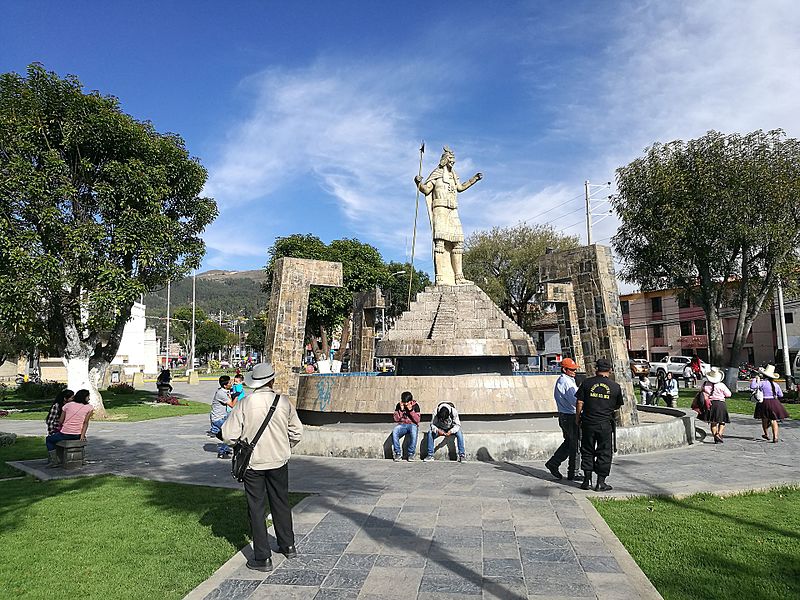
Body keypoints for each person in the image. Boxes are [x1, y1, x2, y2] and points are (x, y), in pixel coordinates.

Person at [222, 362, 304, 572]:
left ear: (254, 382)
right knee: (281, 502)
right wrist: (284, 445)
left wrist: (241, 442)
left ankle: (263, 557)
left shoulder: (244, 403)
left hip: (253, 463)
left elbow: (228, 435)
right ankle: (288, 545)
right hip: (278, 460)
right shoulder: (283, 402)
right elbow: (297, 432)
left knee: (256, 508)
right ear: (272, 380)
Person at [414, 146, 482, 285]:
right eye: (451, 159)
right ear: (445, 160)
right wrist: (418, 183)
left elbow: (461, 188)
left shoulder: (453, 175)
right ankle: (440, 278)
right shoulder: (437, 174)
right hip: (439, 209)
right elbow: (426, 190)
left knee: (458, 242)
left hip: (453, 210)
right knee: (440, 242)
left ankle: (459, 277)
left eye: (454, 160)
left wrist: (474, 179)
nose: (453, 162)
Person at [576, 358, 624, 491]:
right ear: (609, 370)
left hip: (588, 423)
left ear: (596, 369)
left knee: (587, 450)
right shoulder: (615, 387)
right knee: (604, 452)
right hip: (604, 424)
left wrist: (578, 418)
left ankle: (587, 481)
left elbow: (580, 402)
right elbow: (618, 405)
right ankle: (600, 483)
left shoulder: (586, 383)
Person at [544, 358, 582, 481]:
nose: (574, 371)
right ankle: (573, 472)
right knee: (575, 445)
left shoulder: (566, 380)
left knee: (570, 443)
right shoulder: (566, 382)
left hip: (565, 416)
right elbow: (575, 401)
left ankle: (554, 463)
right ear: (564, 369)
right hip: (570, 416)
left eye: (575, 369)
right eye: (571, 369)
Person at [45, 389, 93, 467]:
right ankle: (82, 459)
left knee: (49, 440)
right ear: (84, 397)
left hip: (65, 433)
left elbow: (60, 421)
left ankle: (54, 461)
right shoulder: (89, 408)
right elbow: (85, 423)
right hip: (78, 434)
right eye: (88, 397)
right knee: (81, 441)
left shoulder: (67, 405)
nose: (89, 398)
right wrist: (82, 435)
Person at [751, 364, 790, 443]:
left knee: (764, 419)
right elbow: (781, 395)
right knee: (773, 420)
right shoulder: (776, 385)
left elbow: (753, 386)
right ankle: (775, 437)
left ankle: (766, 434)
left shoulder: (762, 383)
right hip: (774, 402)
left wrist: (755, 379)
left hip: (764, 402)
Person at [702, 367, 731, 444]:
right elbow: (728, 394)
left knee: (713, 422)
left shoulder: (705, 384)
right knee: (722, 421)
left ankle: (715, 437)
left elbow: (702, 392)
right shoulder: (721, 385)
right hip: (720, 404)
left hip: (711, 404)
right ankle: (719, 435)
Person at [209, 375, 235, 458]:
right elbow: (232, 405)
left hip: (222, 416)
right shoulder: (221, 393)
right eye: (230, 383)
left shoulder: (224, 391)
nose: (232, 384)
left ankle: (225, 448)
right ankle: (221, 452)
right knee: (229, 434)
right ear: (225, 385)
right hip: (218, 418)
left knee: (227, 433)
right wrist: (237, 396)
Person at [392, 391, 421, 461]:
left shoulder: (416, 406)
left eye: (407, 402)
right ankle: (398, 453)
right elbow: (396, 419)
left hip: (412, 424)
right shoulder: (399, 405)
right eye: (404, 402)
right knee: (395, 431)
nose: (405, 404)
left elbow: (417, 420)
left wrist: (411, 410)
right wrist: (401, 411)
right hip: (402, 424)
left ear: (410, 401)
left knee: (414, 433)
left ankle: (411, 454)